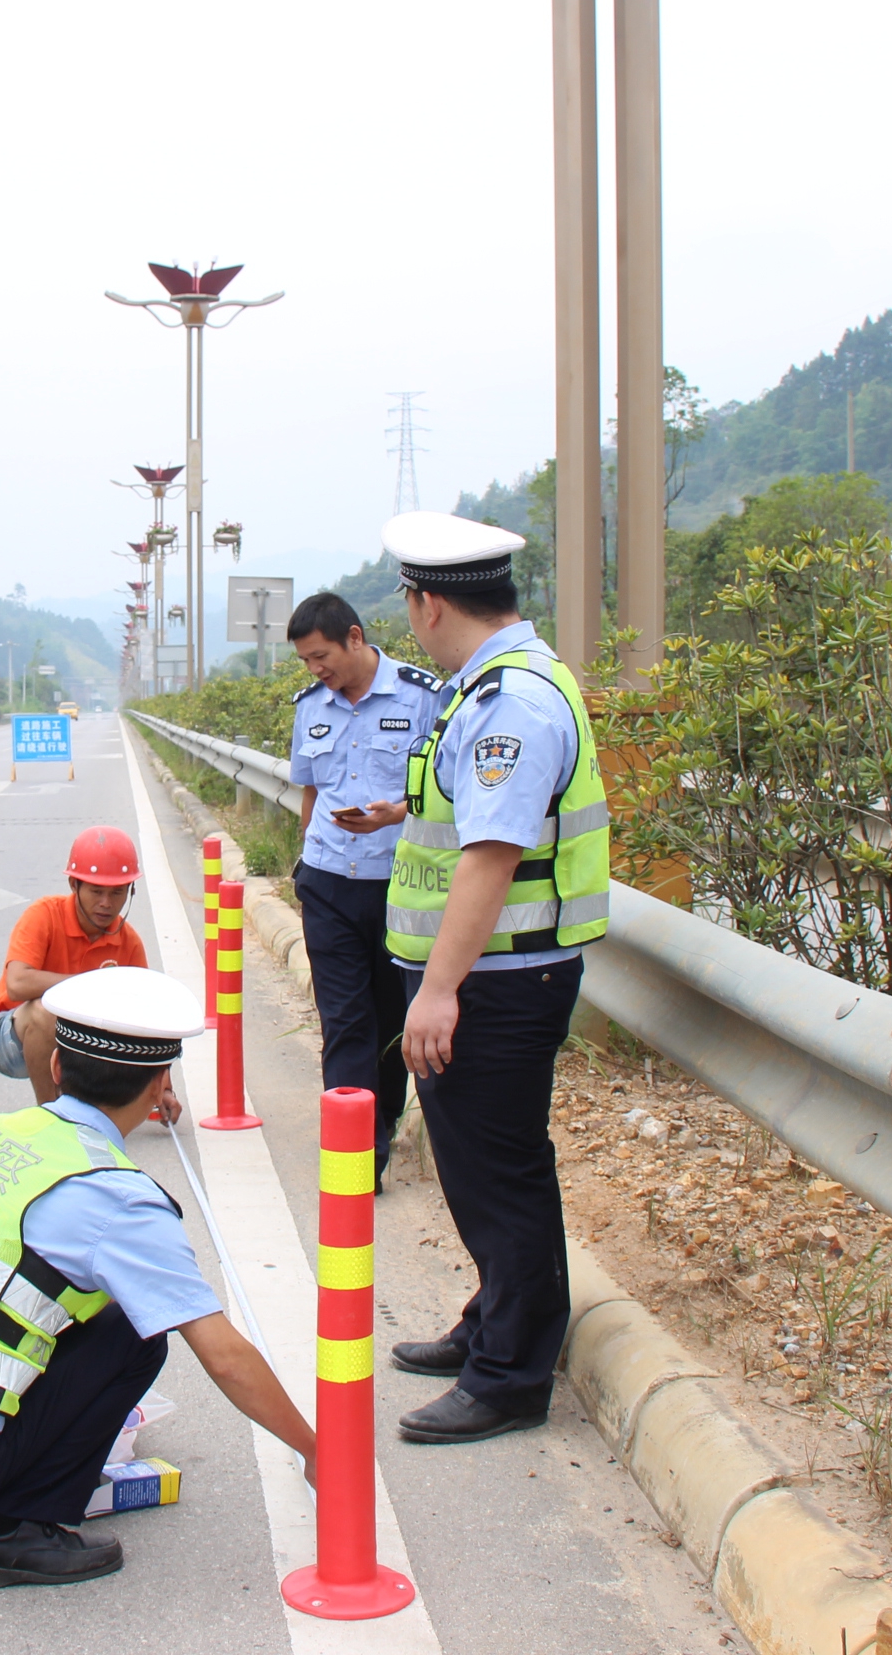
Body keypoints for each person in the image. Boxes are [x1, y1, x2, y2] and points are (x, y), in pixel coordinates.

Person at [0, 968, 318, 1588]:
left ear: (56, 1068)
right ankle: (11, 1530)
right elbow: (223, 1356)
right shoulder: (117, 1197)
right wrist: (315, 1451)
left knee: (26, 1304)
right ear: (158, 1085)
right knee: (134, 1336)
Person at [377, 511, 609, 1446]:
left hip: (499, 982)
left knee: (500, 1173)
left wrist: (439, 991)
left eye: (407, 602)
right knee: (480, 1170)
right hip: (492, 974)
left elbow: (491, 855)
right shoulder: (490, 687)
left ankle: (512, 1374)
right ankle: (493, 1319)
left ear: (429, 603)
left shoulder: (509, 702)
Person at [282, 591, 444, 1185]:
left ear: (354, 637)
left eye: (321, 655)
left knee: (387, 1017)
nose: (315, 670)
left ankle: (380, 1123)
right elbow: (310, 791)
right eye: (305, 661)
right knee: (344, 1019)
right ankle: (356, 1157)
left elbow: (444, 792)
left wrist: (394, 814)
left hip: (396, 885)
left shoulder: (422, 697)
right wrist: (306, 859)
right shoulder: (311, 707)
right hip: (327, 882)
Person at [0, 827, 153, 1105]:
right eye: (96, 891)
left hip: (79, 1041)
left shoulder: (128, 941)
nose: (106, 904)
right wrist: (86, 983)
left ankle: (80, 1096)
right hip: (11, 1039)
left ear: (130, 891)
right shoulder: (44, 915)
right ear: (74, 885)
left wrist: (162, 1089)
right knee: (44, 1011)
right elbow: (17, 983)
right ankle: (51, 1114)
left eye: (117, 893)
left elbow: (145, 1022)